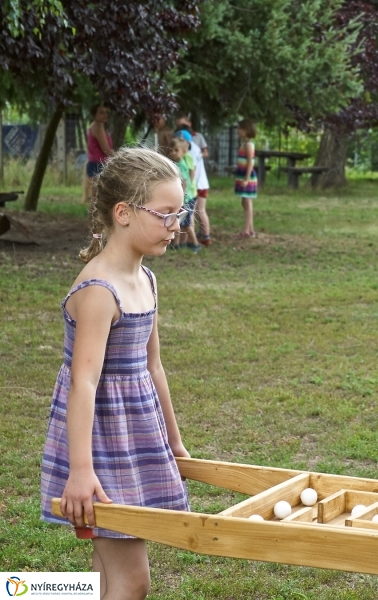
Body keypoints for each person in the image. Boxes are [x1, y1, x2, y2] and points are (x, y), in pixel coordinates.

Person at [40, 147, 190, 599]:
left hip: (136, 439)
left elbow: (152, 365)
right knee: (132, 581)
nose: (175, 225)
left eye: (179, 213)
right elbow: (83, 383)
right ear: (123, 213)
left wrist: (174, 441)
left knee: (108, 577)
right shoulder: (99, 290)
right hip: (101, 448)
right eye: (164, 214)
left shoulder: (145, 279)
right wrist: (81, 472)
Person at [175, 115, 212, 246]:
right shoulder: (193, 149)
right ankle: (193, 238)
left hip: (197, 185)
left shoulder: (190, 152)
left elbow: (192, 170)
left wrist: (188, 185)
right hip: (197, 184)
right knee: (194, 213)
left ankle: (204, 236)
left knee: (198, 211)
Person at [169, 134, 200, 252]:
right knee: (179, 221)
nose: (173, 152)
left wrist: (182, 196)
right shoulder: (177, 164)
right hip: (185, 198)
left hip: (186, 199)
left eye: (176, 150)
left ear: (183, 152)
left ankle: (195, 243)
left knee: (186, 224)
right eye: (171, 150)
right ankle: (176, 244)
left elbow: (184, 182)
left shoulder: (181, 164)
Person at [84, 104, 114, 203]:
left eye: (106, 112)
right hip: (98, 164)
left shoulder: (98, 126)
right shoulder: (97, 127)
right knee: (97, 198)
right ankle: (93, 218)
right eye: (101, 112)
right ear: (94, 114)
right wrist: (120, 157)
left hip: (98, 163)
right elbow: (106, 150)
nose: (105, 115)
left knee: (97, 197)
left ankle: (94, 218)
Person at [234, 118, 258, 238]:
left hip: (247, 177)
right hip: (242, 175)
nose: (238, 131)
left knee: (247, 202)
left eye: (240, 129)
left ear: (246, 130)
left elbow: (250, 163)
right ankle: (250, 229)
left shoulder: (248, 145)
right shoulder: (244, 144)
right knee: (245, 202)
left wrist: (247, 179)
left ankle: (246, 230)